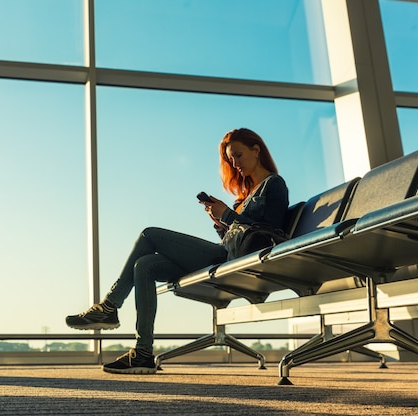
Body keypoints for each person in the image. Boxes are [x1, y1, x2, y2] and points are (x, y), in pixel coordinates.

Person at [65, 128, 289, 374]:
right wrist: (220, 223)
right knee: (145, 265)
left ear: (256, 150)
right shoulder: (245, 196)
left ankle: (108, 307)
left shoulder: (274, 185)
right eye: (230, 159)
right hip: (224, 255)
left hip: (232, 261)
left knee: (149, 234)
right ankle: (142, 353)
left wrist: (227, 214)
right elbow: (233, 237)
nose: (234, 163)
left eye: (238, 155)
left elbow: (267, 234)